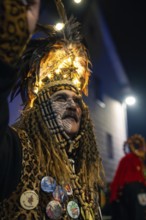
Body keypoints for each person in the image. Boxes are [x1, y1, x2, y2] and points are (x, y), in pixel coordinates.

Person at [0, 1, 105, 219]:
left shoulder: (86, 170)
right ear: (41, 109)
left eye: (77, 101)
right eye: (61, 98)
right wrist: (7, 51)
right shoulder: (15, 149)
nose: (73, 105)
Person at [110, 134, 146, 220]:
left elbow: (117, 178)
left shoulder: (125, 159)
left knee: (128, 214)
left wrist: (114, 195)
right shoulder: (140, 160)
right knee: (139, 214)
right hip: (139, 189)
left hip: (127, 190)